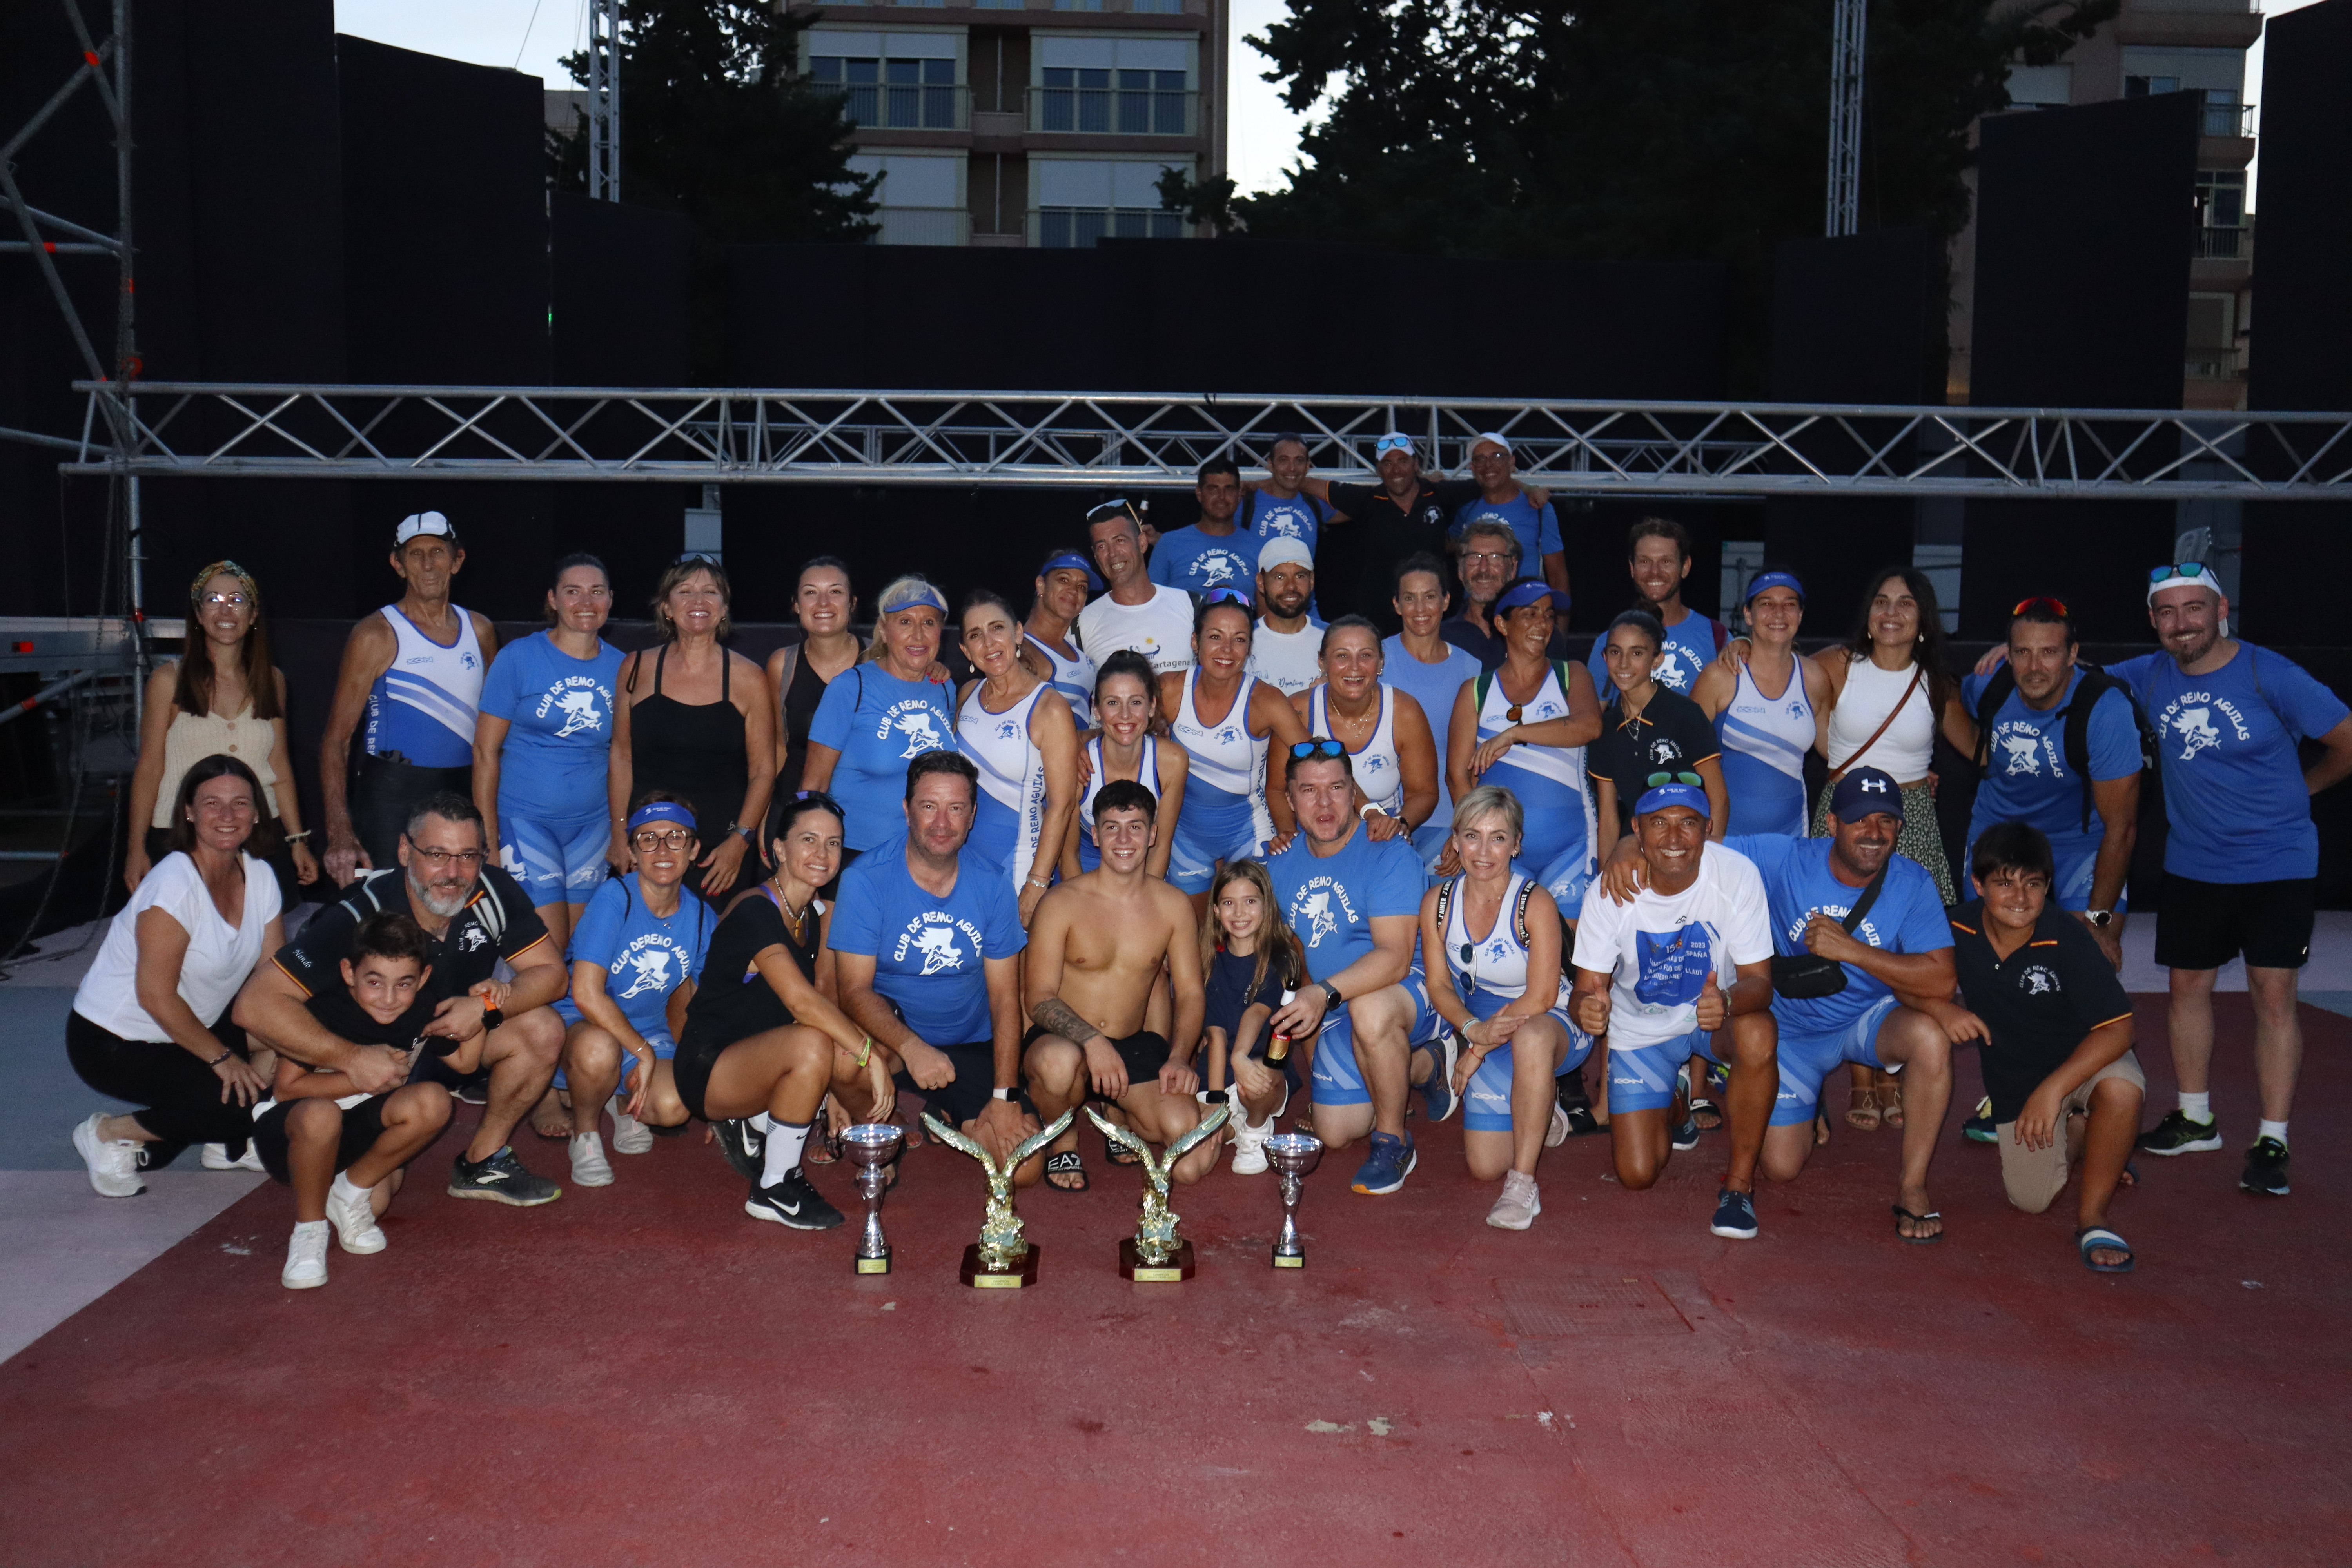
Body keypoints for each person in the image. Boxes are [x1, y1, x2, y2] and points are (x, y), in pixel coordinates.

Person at [2109, 562, 2352, 1195]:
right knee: (2188, 988)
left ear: (2221, 611)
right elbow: (2064, 680)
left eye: (2194, 609)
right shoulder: (2147, 674)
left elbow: (2348, 741)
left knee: (2274, 998)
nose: (2180, 624)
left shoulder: (2269, 674)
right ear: (2153, 621)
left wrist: (2301, 792)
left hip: (2277, 863)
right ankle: (2195, 1118)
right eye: (2166, 612)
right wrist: (2007, 653)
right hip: (2194, 863)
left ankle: (2273, 1137)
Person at [235, 792, 570, 1207]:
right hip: (366, 1066)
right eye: (436, 854)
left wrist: (486, 1008)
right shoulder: (359, 912)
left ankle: (483, 1162)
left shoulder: (493, 891)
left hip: (445, 1042)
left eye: (468, 856)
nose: (453, 872)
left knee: (543, 1027)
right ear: (403, 850)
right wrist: (351, 1058)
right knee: (374, 1203)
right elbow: (254, 1004)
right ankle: (316, 1142)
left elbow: (552, 975)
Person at [1715, 768, 1958, 1241]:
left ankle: (1913, 1187)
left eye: (1886, 821)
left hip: (1864, 1018)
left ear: (1901, 829)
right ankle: (1804, 1098)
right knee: (1782, 1168)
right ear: (1831, 824)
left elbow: (1943, 979)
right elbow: (1693, 853)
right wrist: (1628, 848)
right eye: (1859, 821)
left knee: (1932, 1038)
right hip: (1791, 1031)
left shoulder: (1912, 882)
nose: (1874, 833)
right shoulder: (1786, 857)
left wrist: (1853, 950)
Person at [672, 792, 894, 1230]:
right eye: (808, 839)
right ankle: (774, 1187)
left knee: (829, 1046)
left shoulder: (810, 914)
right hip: (707, 1065)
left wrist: (830, 1090)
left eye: (833, 843)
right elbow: (801, 1003)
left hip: (754, 1056)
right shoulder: (755, 908)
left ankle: (753, 1122)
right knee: (817, 1043)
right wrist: (872, 1055)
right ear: (779, 849)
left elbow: (815, 1006)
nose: (822, 853)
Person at [1569, 778, 1776, 1239]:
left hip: (1713, 1019)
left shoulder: (1737, 875)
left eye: (1688, 823)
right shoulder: (1610, 891)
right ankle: (1677, 1102)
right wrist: (1587, 1010)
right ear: (1638, 834)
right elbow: (1584, 991)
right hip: (1642, 1032)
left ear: (1709, 829)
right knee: (1637, 1174)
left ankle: (1739, 1188)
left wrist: (1726, 1000)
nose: (1675, 838)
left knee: (1759, 1032)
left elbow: (1760, 985)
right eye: (1659, 824)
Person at [68, 756, 285, 1195]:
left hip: (193, 1026)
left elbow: (274, 979)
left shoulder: (260, 877)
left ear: (257, 812)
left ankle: (227, 1143)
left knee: (293, 1042)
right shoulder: (174, 884)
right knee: (235, 1102)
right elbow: (155, 995)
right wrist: (225, 1061)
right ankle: (108, 1132)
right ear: (188, 812)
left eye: (240, 803)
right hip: (115, 1039)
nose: (227, 816)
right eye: (212, 803)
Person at [1938, 824, 2143, 1271]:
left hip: (2084, 1061)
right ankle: (2091, 1136)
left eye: (2033, 884)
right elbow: (1910, 975)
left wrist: (2052, 1092)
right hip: (2017, 1079)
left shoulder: (2067, 935)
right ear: (1978, 884)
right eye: (2004, 883)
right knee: (2031, 1200)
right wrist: (1940, 1010)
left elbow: (2119, 1029)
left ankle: (2094, 1218)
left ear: (2048, 887)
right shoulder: (1953, 926)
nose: (2020, 897)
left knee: (2124, 1089)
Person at [831, 753, 1038, 1181]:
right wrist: (911, 1047)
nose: (942, 822)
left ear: (973, 815)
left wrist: (1004, 1094)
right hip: (894, 1044)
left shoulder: (992, 883)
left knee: (1024, 1170)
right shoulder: (865, 879)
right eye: (929, 806)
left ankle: (934, 1112)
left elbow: (1005, 1000)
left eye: (956, 808)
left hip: (970, 1046)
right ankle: (890, 1117)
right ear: (907, 809)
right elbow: (852, 990)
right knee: (839, 1057)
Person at [1261, 740, 1447, 1194]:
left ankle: (1393, 1142)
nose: (1324, 803)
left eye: (1337, 788)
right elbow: (1298, 969)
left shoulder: (1388, 851)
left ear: (1354, 792)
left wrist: (1322, 994)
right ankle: (1426, 1067)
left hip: (1410, 991)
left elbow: (1396, 958)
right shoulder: (1278, 863)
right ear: (1289, 801)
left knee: (1370, 1012)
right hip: (1336, 1002)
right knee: (1336, 1131)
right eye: (1308, 790)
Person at [250, 911, 464, 1289]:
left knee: (434, 1101)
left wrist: (490, 1010)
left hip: (357, 1128)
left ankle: (350, 1192)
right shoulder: (322, 1010)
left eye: (404, 984)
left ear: (423, 978)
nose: (388, 998)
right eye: (374, 982)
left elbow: (467, 1061)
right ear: (349, 973)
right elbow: (287, 1089)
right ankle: (309, 1231)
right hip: (293, 1128)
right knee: (322, 1116)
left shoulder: (420, 1006)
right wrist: (361, 1075)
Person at [1022, 781, 1215, 1193]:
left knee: (1188, 1159)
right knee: (1058, 1065)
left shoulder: (1174, 906)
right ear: (1095, 834)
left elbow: (1193, 994)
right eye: (1111, 828)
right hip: (1065, 1040)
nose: (1124, 840)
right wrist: (1092, 1041)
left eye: (1135, 827)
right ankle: (1064, 1139)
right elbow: (1037, 996)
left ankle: (1118, 1112)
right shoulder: (1061, 902)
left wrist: (1180, 1057)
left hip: (1133, 1044)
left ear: (1154, 835)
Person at [1422, 786, 1592, 1230]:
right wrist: (1471, 1028)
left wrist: (1475, 1047)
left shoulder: (1534, 902)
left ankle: (1523, 1186)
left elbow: (1538, 998)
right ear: (1455, 840)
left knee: (1533, 1038)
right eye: (1472, 836)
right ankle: (1541, 1107)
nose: (1483, 851)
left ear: (1516, 844)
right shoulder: (1438, 903)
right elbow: (1439, 984)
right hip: (1489, 1025)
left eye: (1498, 838)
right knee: (1482, 1164)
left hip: (1548, 1021)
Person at [319, 511, 498, 884]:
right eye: (416, 555)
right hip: (391, 794)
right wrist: (340, 832)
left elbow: (496, 736)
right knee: (389, 919)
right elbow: (336, 740)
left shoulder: (480, 631)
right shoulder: (376, 634)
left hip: (463, 789)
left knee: (456, 904)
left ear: (457, 560)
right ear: (398, 565)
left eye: (437, 552)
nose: (429, 564)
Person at [546, 794, 714, 1186]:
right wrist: (642, 1052)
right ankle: (585, 1132)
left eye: (676, 837)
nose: (662, 849)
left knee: (674, 1107)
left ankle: (620, 1102)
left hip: (644, 1024)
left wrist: (727, 1099)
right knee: (598, 1049)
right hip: (580, 1020)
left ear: (694, 849)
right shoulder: (614, 898)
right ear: (633, 851)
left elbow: (716, 1002)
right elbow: (587, 994)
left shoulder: (703, 916)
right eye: (648, 839)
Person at [125, 560, 318, 900]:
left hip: (257, 833)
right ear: (198, 615)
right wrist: (135, 847)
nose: (225, 610)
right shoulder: (169, 681)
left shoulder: (272, 681)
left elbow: (281, 769)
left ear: (254, 615)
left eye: (237, 600)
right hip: (183, 835)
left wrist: (298, 841)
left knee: (265, 939)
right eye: (213, 600)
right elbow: (149, 768)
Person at [1961, 597, 2141, 958]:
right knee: (1993, 958)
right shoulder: (1986, 686)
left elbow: (2121, 829)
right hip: (1999, 833)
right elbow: (1944, 700)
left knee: (2089, 958)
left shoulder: (2105, 709)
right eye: (2023, 652)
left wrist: (2099, 920)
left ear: (2073, 655)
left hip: (2079, 841)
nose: (2034, 667)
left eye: (2048, 652)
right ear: (2008, 655)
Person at [473, 554, 624, 952]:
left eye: (596, 592)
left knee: (579, 948)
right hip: (526, 821)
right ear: (553, 600)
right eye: (572, 591)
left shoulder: (624, 668)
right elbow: (485, 752)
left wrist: (621, 830)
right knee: (548, 950)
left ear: (611, 599)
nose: (585, 602)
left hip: (592, 827)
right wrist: (487, 839)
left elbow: (622, 757)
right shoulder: (519, 658)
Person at [610, 555, 774, 902]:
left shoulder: (749, 678)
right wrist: (619, 831)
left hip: (718, 854)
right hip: (648, 843)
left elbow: (763, 771)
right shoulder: (635, 668)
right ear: (667, 607)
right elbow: (621, 757)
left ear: (724, 607)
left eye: (710, 592)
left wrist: (739, 842)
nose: (698, 602)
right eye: (685, 591)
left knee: (713, 951)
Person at [1444, 580, 1603, 906]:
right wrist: (1473, 837)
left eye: (1548, 615)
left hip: (1571, 846)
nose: (1542, 624)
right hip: (1500, 852)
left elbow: (1589, 726)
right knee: (1507, 950)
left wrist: (1514, 734)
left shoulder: (1571, 674)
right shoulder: (1476, 690)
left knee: (1566, 951)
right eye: (1530, 614)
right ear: (1503, 624)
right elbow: (1457, 776)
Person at [1161, 597, 1309, 904]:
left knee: (1253, 932)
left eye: (1239, 640)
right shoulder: (1170, 689)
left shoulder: (1266, 700)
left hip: (1249, 833)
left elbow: (1318, 764)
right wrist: (1086, 741)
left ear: (1249, 648)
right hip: (1185, 836)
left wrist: (1365, 812)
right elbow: (1122, 728)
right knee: (1192, 939)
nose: (1227, 650)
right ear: (1195, 641)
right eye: (1215, 637)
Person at [800, 575, 957, 859]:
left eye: (929, 623)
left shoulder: (944, 687)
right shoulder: (850, 687)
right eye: (906, 622)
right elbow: (814, 785)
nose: (919, 635)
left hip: (926, 858)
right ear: (884, 630)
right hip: (856, 857)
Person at [956, 589, 1082, 924]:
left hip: (1018, 865)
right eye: (975, 635)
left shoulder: (1049, 708)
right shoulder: (966, 695)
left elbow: (1062, 804)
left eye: (997, 628)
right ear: (966, 651)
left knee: (1013, 976)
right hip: (960, 863)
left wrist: (1037, 883)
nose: (989, 642)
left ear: (1018, 633)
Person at [1690, 570, 1829, 839]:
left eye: (1790, 604)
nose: (1779, 613)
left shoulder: (1813, 678)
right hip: (1727, 839)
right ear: (1748, 615)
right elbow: (1680, 752)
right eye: (1766, 604)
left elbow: (1836, 752)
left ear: (1800, 615)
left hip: (1790, 840)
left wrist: (1907, 770)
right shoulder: (1721, 676)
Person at [1585, 609, 1728, 848]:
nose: (1623, 663)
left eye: (1637, 653)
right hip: (1636, 849)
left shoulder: (1686, 714)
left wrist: (1709, 860)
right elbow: (1609, 819)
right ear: (1604, 657)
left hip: (1687, 848)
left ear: (1657, 659)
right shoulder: (1606, 728)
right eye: (1615, 652)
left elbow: (1719, 800)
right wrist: (1604, 881)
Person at [1296, 617, 1441, 850]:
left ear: (1381, 662)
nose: (1355, 667)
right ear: (1322, 662)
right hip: (1315, 838)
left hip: (1380, 837)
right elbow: (1276, 788)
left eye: (1366, 655)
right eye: (1342, 655)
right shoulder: (1299, 711)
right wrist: (1288, 837)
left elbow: (1423, 793)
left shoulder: (1405, 712)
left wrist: (1398, 825)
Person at [1198, 859, 1303, 1175]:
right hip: (1217, 1074)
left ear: (1267, 906)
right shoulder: (1209, 962)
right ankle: (1232, 1128)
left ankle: (1256, 1129)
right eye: (1229, 903)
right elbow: (1214, 1033)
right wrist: (1216, 1101)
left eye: (1250, 902)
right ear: (1216, 910)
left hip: (1260, 1068)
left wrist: (1241, 1057)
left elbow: (1257, 1012)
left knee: (1256, 1078)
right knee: (1192, 1167)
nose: (1240, 913)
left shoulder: (1283, 957)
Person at [1311, 434, 1479, 630]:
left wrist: (1526, 491)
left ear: (1416, 463)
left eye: (1403, 461)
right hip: (1380, 620)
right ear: (1379, 469)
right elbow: (1301, 482)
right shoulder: (1368, 500)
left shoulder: (1439, 494)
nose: (1396, 470)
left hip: (1430, 614)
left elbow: (1494, 484)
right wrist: (1268, 485)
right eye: (1388, 463)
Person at [1383, 554, 1485, 863]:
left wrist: (1464, 829)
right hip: (1382, 821)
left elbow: (1476, 761)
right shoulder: (1375, 660)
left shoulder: (1471, 667)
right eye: (1410, 599)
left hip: (1449, 822)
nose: (1421, 609)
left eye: (1430, 597)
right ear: (1397, 605)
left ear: (1446, 601)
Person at [1063, 650, 1189, 879]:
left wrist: (1140, 906)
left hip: (1145, 873)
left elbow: (1160, 848)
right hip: (1086, 872)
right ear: (1096, 710)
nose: (1125, 715)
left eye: (1136, 702)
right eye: (1113, 703)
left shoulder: (1172, 762)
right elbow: (1069, 855)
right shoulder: (1078, 764)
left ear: (1152, 707)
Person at [1586, 518, 1727, 700]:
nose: (1655, 572)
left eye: (1666, 562)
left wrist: (1745, 643)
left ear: (1685, 567)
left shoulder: (1717, 637)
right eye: (1645, 562)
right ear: (1632, 568)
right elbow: (1593, 721)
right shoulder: (1610, 643)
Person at [767, 556, 865, 806]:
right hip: (795, 803)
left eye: (835, 592)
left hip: (866, 811)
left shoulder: (882, 659)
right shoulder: (782, 665)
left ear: (852, 603)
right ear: (797, 605)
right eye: (811, 593)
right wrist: (766, 815)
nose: (823, 603)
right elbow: (778, 747)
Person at [1078, 500, 1196, 674]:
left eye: (1120, 540)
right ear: (1096, 557)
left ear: (1142, 543)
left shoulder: (1192, 605)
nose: (1112, 553)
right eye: (1102, 546)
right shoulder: (1083, 624)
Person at [1452, 434, 1568, 595]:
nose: (1489, 465)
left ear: (1512, 462)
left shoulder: (1539, 509)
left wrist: (1560, 620)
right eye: (1480, 459)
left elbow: (1558, 577)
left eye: (1497, 456)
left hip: (1524, 614)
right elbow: (1444, 547)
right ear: (1472, 467)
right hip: (1477, 615)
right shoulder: (1466, 510)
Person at [1148, 457, 1260, 593]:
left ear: (1238, 495)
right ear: (1199, 494)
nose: (1222, 497)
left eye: (1229, 489)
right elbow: (1152, 604)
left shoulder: (1259, 547)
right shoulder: (1168, 544)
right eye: (1213, 489)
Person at [1020, 548, 1101, 731]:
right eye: (1064, 580)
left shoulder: (1078, 652)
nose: (1073, 591)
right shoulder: (1020, 651)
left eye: (1082, 587)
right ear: (1041, 585)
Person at [1239, 433, 1336, 562]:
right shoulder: (1244, 502)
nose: (1292, 468)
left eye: (1299, 461)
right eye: (1284, 460)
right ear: (1270, 464)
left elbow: (1364, 503)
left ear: (1308, 465)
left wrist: (1262, 482)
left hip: (1301, 581)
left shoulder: (1315, 504)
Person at [1247, 539, 1325, 696]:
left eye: (1300, 576)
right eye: (1280, 577)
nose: (1291, 586)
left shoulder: (1334, 639)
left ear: (1312, 581)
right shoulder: (1242, 641)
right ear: (1261, 583)